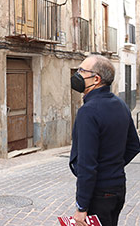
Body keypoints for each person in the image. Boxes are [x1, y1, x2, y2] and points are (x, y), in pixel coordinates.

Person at [70, 54, 140, 226]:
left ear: (96, 79)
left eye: (81, 70)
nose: (77, 74)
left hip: (98, 194)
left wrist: (81, 207)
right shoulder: (121, 104)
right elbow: (134, 145)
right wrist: (111, 166)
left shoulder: (88, 111)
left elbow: (87, 163)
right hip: (117, 189)